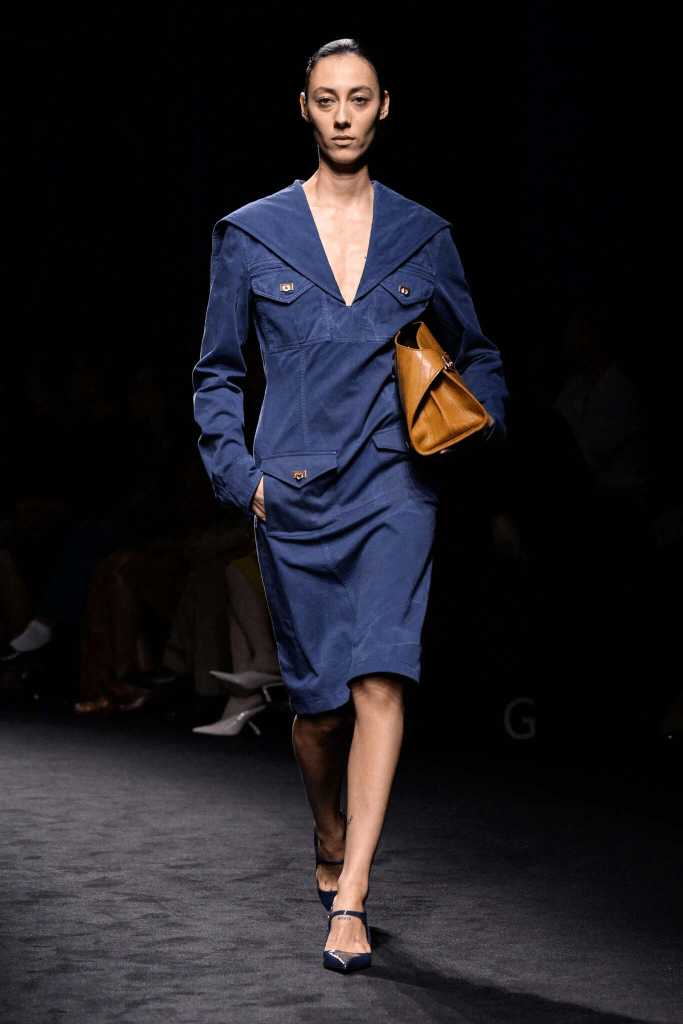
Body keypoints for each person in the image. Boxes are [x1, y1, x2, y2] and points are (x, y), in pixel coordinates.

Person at [192, 38, 508, 972]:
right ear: (304, 108)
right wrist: (240, 475)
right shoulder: (250, 233)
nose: (341, 115)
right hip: (290, 495)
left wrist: (478, 422)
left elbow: (477, 351)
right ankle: (327, 828)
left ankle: (354, 895)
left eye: (358, 98)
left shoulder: (422, 233)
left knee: (380, 679)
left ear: (383, 107)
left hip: (395, 486)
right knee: (321, 711)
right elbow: (216, 371)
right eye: (326, 99)